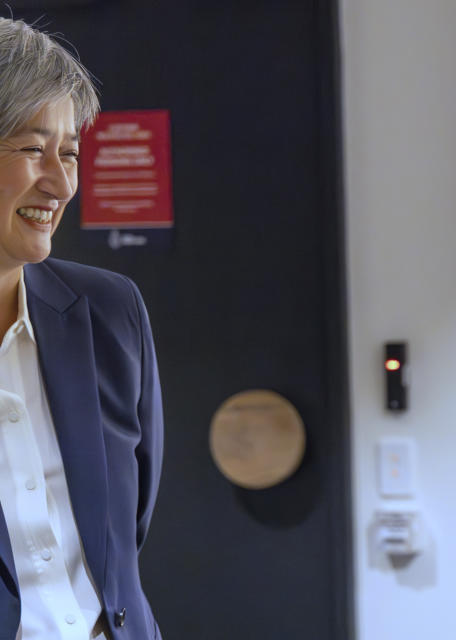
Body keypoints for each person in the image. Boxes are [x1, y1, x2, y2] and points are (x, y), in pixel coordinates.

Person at [0, 18, 163, 639]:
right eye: (32, 148)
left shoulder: (109, 310)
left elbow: (125, 536)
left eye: (68, 152)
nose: (62, 183)